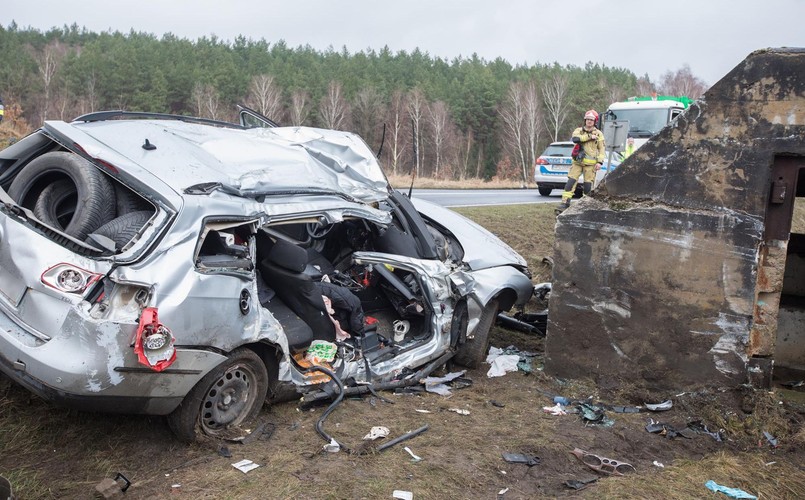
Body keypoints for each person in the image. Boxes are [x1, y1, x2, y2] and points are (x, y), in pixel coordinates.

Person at [559, 109, 605, 209]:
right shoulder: (578, 130)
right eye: (587, 119)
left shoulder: (599, 134)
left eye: (591, 120)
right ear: (585, 120)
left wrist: (600, 162)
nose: (589, 121)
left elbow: (602, 149)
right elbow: (575, 139)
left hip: (591, 165)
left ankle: (586, 205)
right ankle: (565, 202)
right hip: (577, 163)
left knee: (588, 185)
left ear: (595, 121)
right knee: (571, 182)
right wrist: (589, 136)